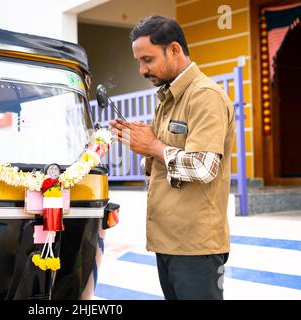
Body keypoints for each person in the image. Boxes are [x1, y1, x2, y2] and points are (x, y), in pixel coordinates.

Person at [109, 15, 235, 300]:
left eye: (148, 59)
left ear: (174, 50)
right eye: (139, 61)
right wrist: (142, 145)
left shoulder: (204, 96)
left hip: (196, 246)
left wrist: (153, 145)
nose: (142, 70)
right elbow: (161, 166)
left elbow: (204, 167)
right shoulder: (167, 99)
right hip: (169, 241)